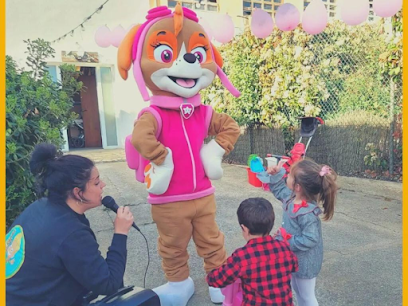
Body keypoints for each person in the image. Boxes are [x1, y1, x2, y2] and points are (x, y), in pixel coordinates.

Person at [6, 143, 135, 306]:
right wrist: (120, 233)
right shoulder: (70, 232)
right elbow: (109, 283)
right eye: (96, 183)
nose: (103, 185)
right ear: (77, 192)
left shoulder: (40, 206)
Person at [257, 159, 338, 306]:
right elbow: (279, 190)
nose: (286, 176)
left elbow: (311, 239)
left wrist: (286, 241)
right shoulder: (292, 197)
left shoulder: (307, 212)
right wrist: (276, 175)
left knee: (306, 296)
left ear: (298, 187)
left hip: (305, 262)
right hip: (293, 258)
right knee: (297, 289)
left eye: (289, 175)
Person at [206, 198, 298, 306]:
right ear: (271, 223)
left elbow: (219, 279)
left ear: (244, 228)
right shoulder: (284, 247)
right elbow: (294, 266)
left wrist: (210, 277)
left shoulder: (241, 256)